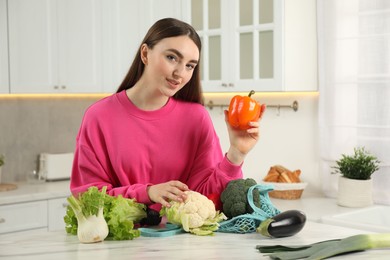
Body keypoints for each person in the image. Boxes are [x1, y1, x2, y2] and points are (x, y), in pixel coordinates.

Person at [70, 18, 266, 211]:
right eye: (172, 57)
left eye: (190, 65)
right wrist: (147, 193)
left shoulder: (196, 118)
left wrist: (236, 154)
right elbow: (88, 197)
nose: (180, 73)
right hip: (121, 241)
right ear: (145, 54)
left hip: (182, 242)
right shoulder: (99, 117)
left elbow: (208, 198)